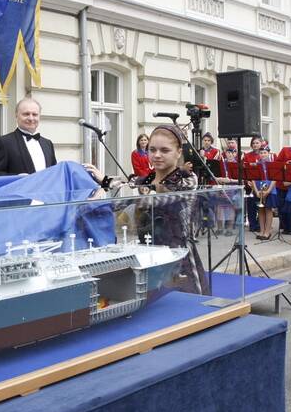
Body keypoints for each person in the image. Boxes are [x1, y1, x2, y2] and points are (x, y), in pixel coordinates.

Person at [86, 125, 208, 294]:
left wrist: (125, 197)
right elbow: (123, 190)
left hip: (180, 257)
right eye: (152, 149)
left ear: (178, 152)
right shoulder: (147, 179)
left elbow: (160, 199)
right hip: (149, 253)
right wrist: (102, 185)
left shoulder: (187, 179)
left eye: (164, 150)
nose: (157, 155)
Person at [0, 97, 57, 176]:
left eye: (34, 114)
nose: (31, 118)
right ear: (16, 116)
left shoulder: (47, 144)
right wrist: (16, 177)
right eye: (26, 114)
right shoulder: (4, 142)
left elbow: (54, 173)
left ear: (39, 117)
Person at [249, 146, 277, 241]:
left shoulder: (272, 164)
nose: (263, 154)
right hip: (259, 189)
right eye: (261, 153)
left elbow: (275, 179)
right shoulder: (256, 164)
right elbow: (253, 178)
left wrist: (268, 190)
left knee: (268, 210)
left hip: (270, 190)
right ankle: (262, 230)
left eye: (265, 153)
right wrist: (256, 190)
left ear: (268, 153)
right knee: (260, 210)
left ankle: (267, 231)